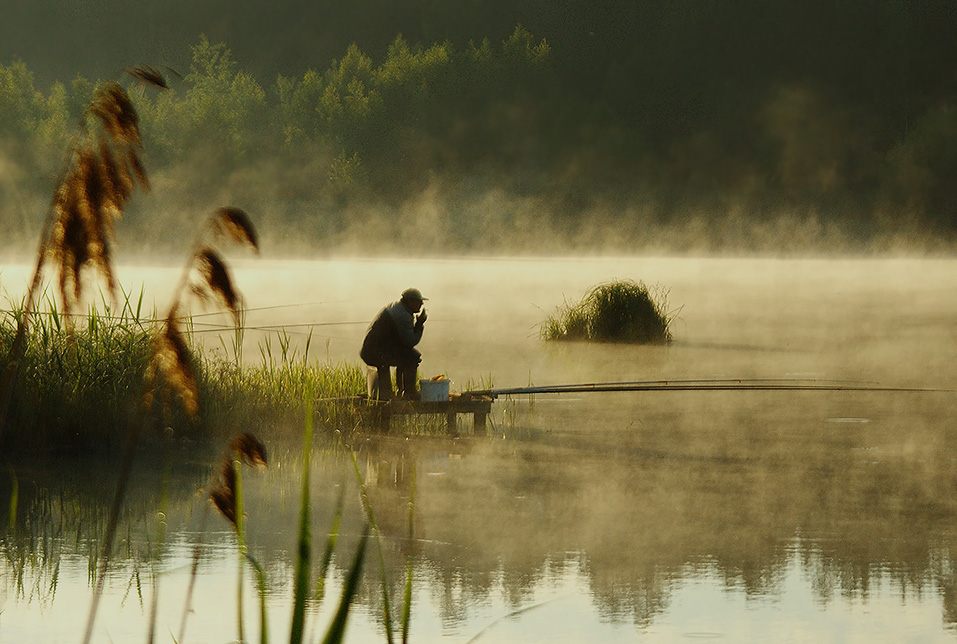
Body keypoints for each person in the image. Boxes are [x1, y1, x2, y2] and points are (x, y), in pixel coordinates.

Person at [360, 288, 428, 400]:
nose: (421, 304)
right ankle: (409, 392)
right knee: (413, 357)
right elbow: (410, 341)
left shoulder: (397, 307)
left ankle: (402, 390)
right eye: (419, 302)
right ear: (410, 301)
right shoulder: (403, 315)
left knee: (408, 355)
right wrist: (419, 325)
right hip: (376, 353)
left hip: (372, 350)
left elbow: (403, 344)